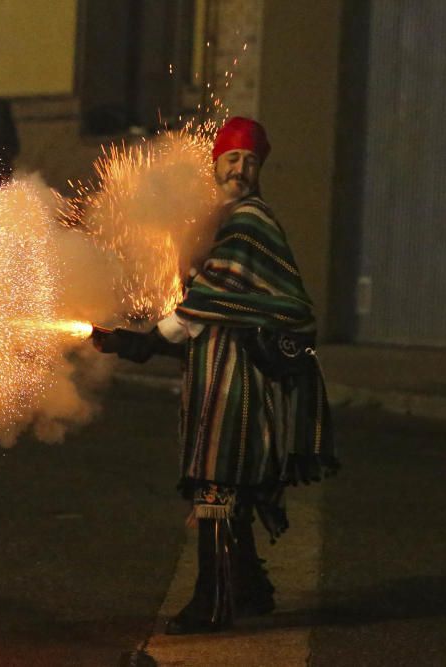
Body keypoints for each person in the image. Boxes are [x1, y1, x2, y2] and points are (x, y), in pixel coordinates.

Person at [92, 117, 338, 634]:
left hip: (240, 378)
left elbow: (208, 304)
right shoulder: (211, 220)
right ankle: (250, 589)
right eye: (233, 160)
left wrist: (147, 341)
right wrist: (139, 338)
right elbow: (200, 310)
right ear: (216, 165)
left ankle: (213, 601)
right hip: (216, 369)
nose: (241, 170)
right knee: (230, 485)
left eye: (250, 162)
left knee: (216, 480)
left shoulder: (249, 221)